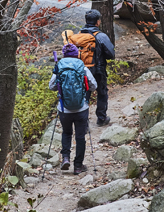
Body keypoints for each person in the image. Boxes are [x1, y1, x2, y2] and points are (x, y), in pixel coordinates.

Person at [49, 42, 96, 174]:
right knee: (80, 136)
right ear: (76, 55)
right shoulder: (82, 67)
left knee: (67, 133)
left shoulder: (59, 67)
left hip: (64, 109)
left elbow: (51, 86)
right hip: (81, 108)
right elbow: (93, 85)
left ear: (64, 55)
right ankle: (78, 166)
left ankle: (65, 158)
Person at [80, 9, 116, 127]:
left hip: (83, 70)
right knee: (102, 93)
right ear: (97, 22)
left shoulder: (79, 36)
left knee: (84, 96)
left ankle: (83, 124)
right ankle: (101, 118)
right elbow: (111, 54)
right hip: (98, 70)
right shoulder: (101, 36)